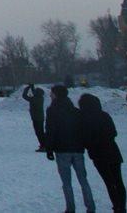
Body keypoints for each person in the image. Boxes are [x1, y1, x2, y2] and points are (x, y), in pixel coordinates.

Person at [46, 84, 95, 213]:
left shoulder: (52, 111)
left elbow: (50, 131)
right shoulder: (75, 111)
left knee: (67, 183)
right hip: (78, 149)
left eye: (52, 93)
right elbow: (82, 130)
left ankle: (70, 208)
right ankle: (91, 207)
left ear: (56, 95)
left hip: (62, 150)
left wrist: (49, 149)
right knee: (83, 180)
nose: (50, 95)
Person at [76, 93, 126, 213]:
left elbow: (83, 137)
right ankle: (122, 207)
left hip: (98, 154)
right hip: (113, 150)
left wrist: (90, 145)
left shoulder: (83, 118)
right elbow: (113, 132)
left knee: (109, 182)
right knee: (118, 181)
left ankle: (116, 206)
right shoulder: (104, 115)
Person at [23, 83, 47, 150]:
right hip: (40, 117)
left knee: (39, 133)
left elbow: (24, 96)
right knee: (41, 132)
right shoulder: (40, 98)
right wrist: (32, 87)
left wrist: (27, 88)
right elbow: (34, 93)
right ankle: (44, 145)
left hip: (36, 118)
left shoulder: (34, 99)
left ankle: (43, 145)